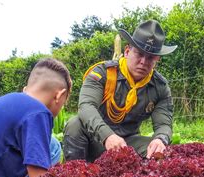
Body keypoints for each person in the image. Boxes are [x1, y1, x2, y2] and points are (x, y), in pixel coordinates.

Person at [63, 19, 176, 162]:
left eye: (150, 57)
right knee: (74, 125)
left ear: (157, 59)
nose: (143, 62)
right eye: (139, 54)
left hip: (128, 143)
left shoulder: (160, 86)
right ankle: (77, 175)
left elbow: (164, 124)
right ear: (127, 51)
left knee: (159, 153)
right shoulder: (103, 73)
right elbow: (86, 107)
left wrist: (161, 139)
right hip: (95, 140)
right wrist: (107, 136)